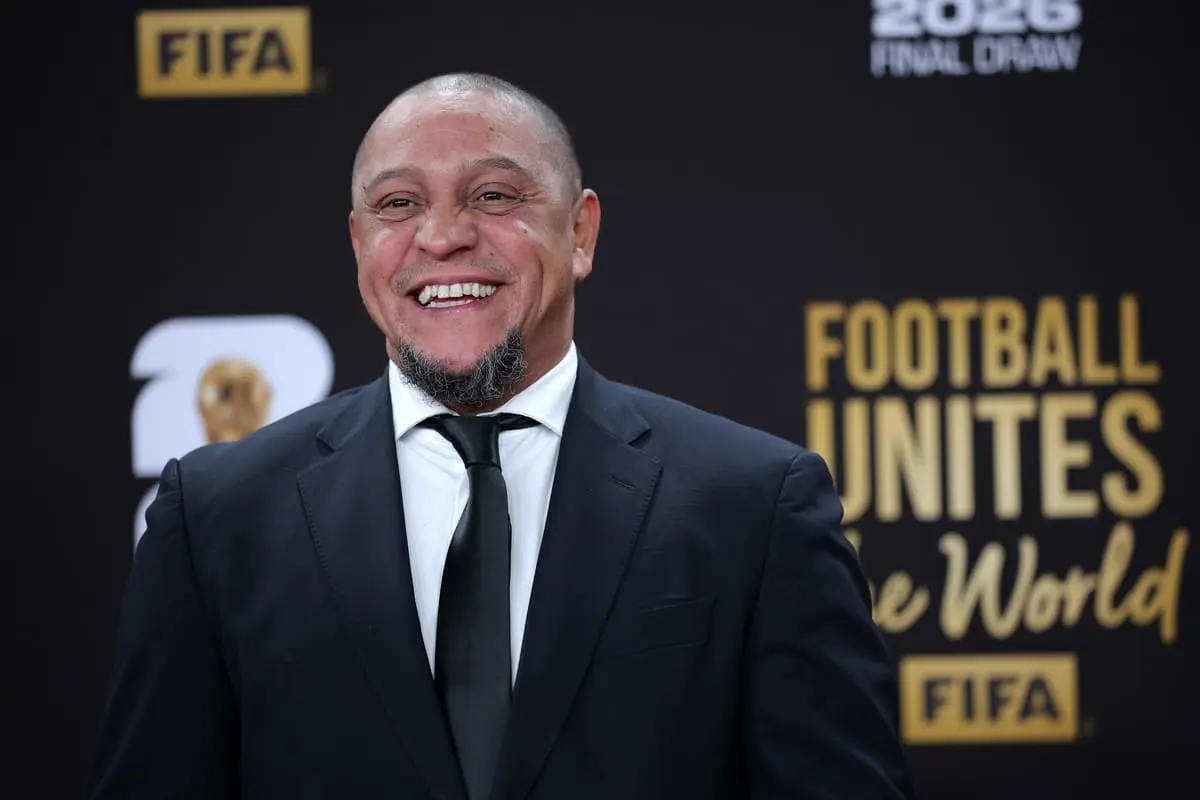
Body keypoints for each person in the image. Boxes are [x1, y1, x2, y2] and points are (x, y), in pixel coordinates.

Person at [87, 72, 915, 799]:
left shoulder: (755, 506)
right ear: (359, 243)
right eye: (399, 204)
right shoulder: (216, 518)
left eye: (493, 195)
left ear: (580, 232)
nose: (441, 237)